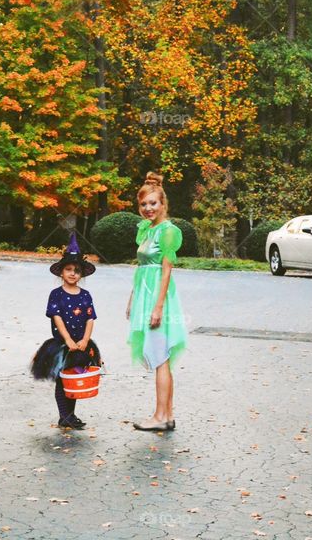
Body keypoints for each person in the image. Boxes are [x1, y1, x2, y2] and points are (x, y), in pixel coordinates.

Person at [126, 171, 186, 432]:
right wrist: (132, 299)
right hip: (144, 294)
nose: (148, 208)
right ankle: (166, 414)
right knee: (161, 357)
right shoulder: (146, 230)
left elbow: (166, 270)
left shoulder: (168, 231)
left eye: (153, 203)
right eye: (144, 204)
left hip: (158, 298)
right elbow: (141, 267)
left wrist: (158, 306)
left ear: (163, 204)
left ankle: (161, 416)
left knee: (161, 356)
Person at [30, 233, 101, 430]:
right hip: (63, 345)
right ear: (61, 272)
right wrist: (68, 339)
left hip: (81, 344)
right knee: (63, 380)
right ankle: (64, 415)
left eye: (76, 271)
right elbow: (57, 317)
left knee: (75, 378)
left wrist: (85, 339)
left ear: (81, 274)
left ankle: (70, 414)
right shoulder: (56, 294)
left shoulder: (85, 295)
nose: (72, 273)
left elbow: (90, 318)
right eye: (68, 269)